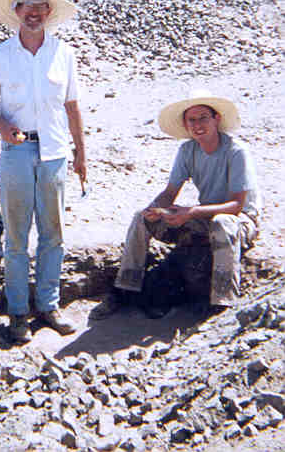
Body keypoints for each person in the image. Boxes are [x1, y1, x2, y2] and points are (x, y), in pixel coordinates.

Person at [0, 0, 87, 343]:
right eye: (27, 7)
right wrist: (2, 126)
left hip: (54, 152)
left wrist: (81, 154)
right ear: (16, 12)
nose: (34, 13)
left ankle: (49, 305)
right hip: (16, 152)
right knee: (17, 236)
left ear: (49, 13)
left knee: (53, 235)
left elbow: (72, 107)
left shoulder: (63, 54)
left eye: (41, 7)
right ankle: (18, 313)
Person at [91, 89, 262, 319]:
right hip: (204, 216)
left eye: (203, 117)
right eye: (192, 120)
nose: (197, 124)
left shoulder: (236, 151)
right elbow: (170, 192)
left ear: (216, 119)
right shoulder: (187, 150)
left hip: (239, 220)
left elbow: (236, 205)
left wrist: (191, 213)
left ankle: (222, 301)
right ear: (185, 124)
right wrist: (154, 209)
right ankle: (125, 287)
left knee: (223, 223)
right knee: (140, 218)